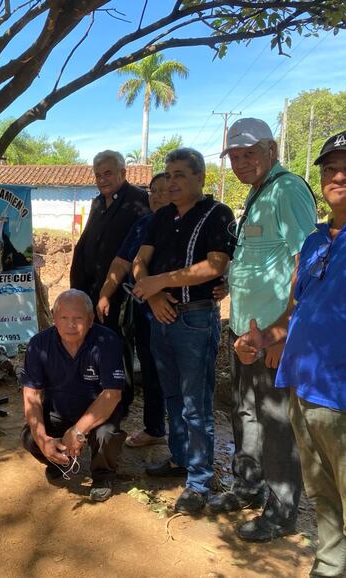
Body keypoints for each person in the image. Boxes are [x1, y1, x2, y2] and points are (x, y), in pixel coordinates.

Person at [235, 130, 346, 576]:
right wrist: (267, 339)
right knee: (325, 506)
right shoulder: (314, 242)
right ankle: (328, 570)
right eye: (330, 168)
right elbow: (297, 311)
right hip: (305, 395)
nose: (338, 175)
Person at [210, 118, 316, 542]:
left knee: (276, 425)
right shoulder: (258, 192)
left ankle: (281, 511)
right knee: (246, 413)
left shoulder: (287, 189)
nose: (240, 162)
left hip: (272, 338)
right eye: (234, 156)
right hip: (245, 335)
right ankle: (247, 487)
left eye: (249, 153)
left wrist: (282, 332)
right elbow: (261, 257)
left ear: (272, 149)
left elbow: (303, 262)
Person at [131, 147, 234, 514]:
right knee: (172, 394)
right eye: (168, 175)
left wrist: (159, 281)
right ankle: (178, 459)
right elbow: (139, 262)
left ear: (200, 178)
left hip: (195, 318)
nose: (172, 182)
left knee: (196, 403)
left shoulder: (216, 213)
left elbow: (215, 265)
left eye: (180, 175)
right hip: (161, 315)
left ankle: (200, 482)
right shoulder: (162, 219)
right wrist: (153, 294)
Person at [20, 289, 126, 502]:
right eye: (64, 318)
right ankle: (58, 460)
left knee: (107, 434)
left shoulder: (107, 341)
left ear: (90, 319)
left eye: (78, 318)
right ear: (54, 317)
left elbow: (112, 395)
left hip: (97, 411)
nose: (71, 325)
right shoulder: (39, 344)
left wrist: (78, 430)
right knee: (31, 437)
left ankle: (103, 475)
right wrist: (42, 440)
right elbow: (31, 394)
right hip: (59, 410)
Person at [96, 172, 169, 448]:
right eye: (154, 191)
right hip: (144, 312)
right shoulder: (143, 224)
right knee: (149, 369)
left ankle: (188, 452)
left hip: (180, 315)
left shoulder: (185, 224)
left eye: (165, 190)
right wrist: (105, 294)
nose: (158, 196)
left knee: (178, 375)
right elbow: (122, 262)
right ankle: (155, 428)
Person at [70, 149, 149, 331]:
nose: (102, 180)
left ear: (122, 173)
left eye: (108, 173)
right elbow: (87, 239)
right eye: (98, 175)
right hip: (91, 288)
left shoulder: (139, 200)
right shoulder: (98, 202)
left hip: (121, 292)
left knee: (116, 344)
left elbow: (144, 247)